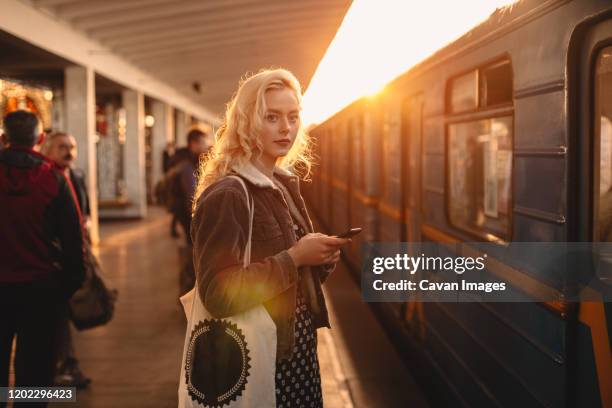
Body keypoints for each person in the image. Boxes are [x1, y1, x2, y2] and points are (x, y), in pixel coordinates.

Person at [191, 69, 348, 408]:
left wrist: (318, 259)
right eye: (272, 117)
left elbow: (294, 280)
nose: (285, 128)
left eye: (293, 117)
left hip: (295, 353)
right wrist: (294, 258)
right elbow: (218, 293)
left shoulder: (282, 185)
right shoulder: (229, 193)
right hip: (261, 360)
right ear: (247, 122)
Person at [0, 111, 85, 406]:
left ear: (3, 139)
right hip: (40, 290)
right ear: (40, 139)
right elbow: (75, 241)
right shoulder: (54, 179)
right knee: (35, 373)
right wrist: (65, 287)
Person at [42, 132, 92, 389]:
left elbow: (84, 210)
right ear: (46, 148)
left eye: (72, 147)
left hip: (74, 253)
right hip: (50, 260)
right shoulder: (42, 178)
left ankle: (64, 366)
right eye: (62, 147)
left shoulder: (77, 175)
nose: (69, 152)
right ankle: (62, 368)